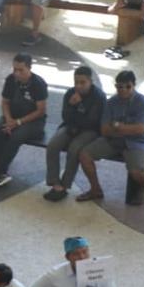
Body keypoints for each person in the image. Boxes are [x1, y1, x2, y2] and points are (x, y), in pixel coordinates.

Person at [78, 70, 144, 204]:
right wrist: (127, 129)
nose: (123, 90)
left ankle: (143, 185)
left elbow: (140, 130)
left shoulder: (143, 103)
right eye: (119, 86)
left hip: (137, 142)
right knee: (85, 155)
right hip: (114, 140)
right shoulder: (111, 102)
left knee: (137, 173)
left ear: (134, 85)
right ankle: (95, 189)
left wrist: (118, 126)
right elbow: (104, 130)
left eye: (127, 86)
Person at [0, 53, 47, 188]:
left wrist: (17, 123)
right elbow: (5, 102)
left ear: (29, 68)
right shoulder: (10, 80)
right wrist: (9, 119)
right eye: (14, 69)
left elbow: (40, 111)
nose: (17, 73)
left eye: (21, 70)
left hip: (33, 121)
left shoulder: (38, 84)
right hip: (12, 116)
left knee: (16, 137)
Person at [43, 66, 105, 202]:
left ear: (90, 82)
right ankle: (55, 183)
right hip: (71, 127)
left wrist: (79, 107)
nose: (78, 86)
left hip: (91, 131)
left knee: (74, 149)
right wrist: (71, 106)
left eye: (82, 82)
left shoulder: (98, 97)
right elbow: (65, 117)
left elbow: (92, 121)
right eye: (76, 82)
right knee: (53, 145)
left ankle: (65, 185)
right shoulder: (70, 93)